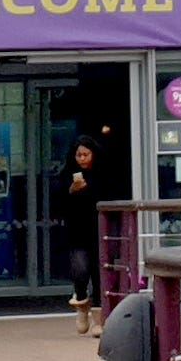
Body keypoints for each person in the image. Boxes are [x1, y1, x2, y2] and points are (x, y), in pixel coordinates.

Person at [56, 139, 105, 337]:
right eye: (79, 155)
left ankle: (99, 320)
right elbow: (58, 202)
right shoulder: (67, 174)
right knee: (80, 269)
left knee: (100, 273)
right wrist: (71, 191)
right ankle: (82, 304)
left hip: (100, 229)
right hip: (77, 231)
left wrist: (89, 189)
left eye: (86, 154)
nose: (82, 159)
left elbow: (110, 194)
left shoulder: (103, 172)